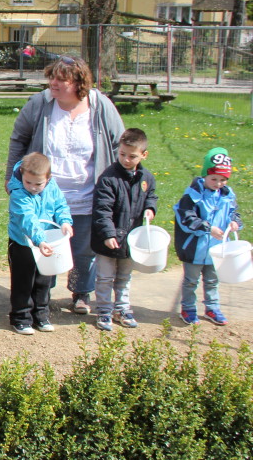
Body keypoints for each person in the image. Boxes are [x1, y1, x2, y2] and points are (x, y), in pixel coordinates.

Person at [5, 56, 124, 316]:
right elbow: (18, 140)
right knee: (45, 243)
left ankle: (81, 292)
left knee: (83, 247)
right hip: (43, 194)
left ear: (79, 83)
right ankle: (43, 294)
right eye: (52, 77)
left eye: (61, 79)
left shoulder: (100, 105)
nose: (53, 83)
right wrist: (12, 178)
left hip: (88, 193)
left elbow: (118, 143)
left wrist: (115, 187)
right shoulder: (40, 103)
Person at [91, 128, 158, 331]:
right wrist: (108, 234)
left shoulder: (147, 178)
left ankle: (122, 307)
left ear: (143, 155)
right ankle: (103, 309)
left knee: (124, 276)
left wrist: (150, 209)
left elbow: (151, 196)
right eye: (122, 154)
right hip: (107, 240)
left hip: (131, 239)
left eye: (132, 156)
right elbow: (102, 209)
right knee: (104, 276)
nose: (126, 159)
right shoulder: (108, 178)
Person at [7, 153, 74, 335]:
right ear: (22, 174)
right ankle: (21, 318)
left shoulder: (52, 187)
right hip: (23, 243)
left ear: (48, 178)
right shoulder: (19, 192)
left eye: (38, 184)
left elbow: (60, 205)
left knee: (44, 280)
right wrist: (39, 240)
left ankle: (41, 315)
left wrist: (65, 221)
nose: (33, 188)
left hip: (46, 242)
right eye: (28, 182)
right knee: (24, 282)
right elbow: (27, 219)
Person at [174, 147, 242, 326]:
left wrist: (234, 223)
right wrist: (207, 228)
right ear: (205, 175)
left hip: (217, 249)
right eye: (214, 179)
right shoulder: (192, 195)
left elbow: (234, 213)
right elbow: (186, 218)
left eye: (223, 180)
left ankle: (212, 307)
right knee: (191, 281)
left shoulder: (227, 195)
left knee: (212, 280)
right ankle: (187, 308)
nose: (218, 183)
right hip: (194, 247)